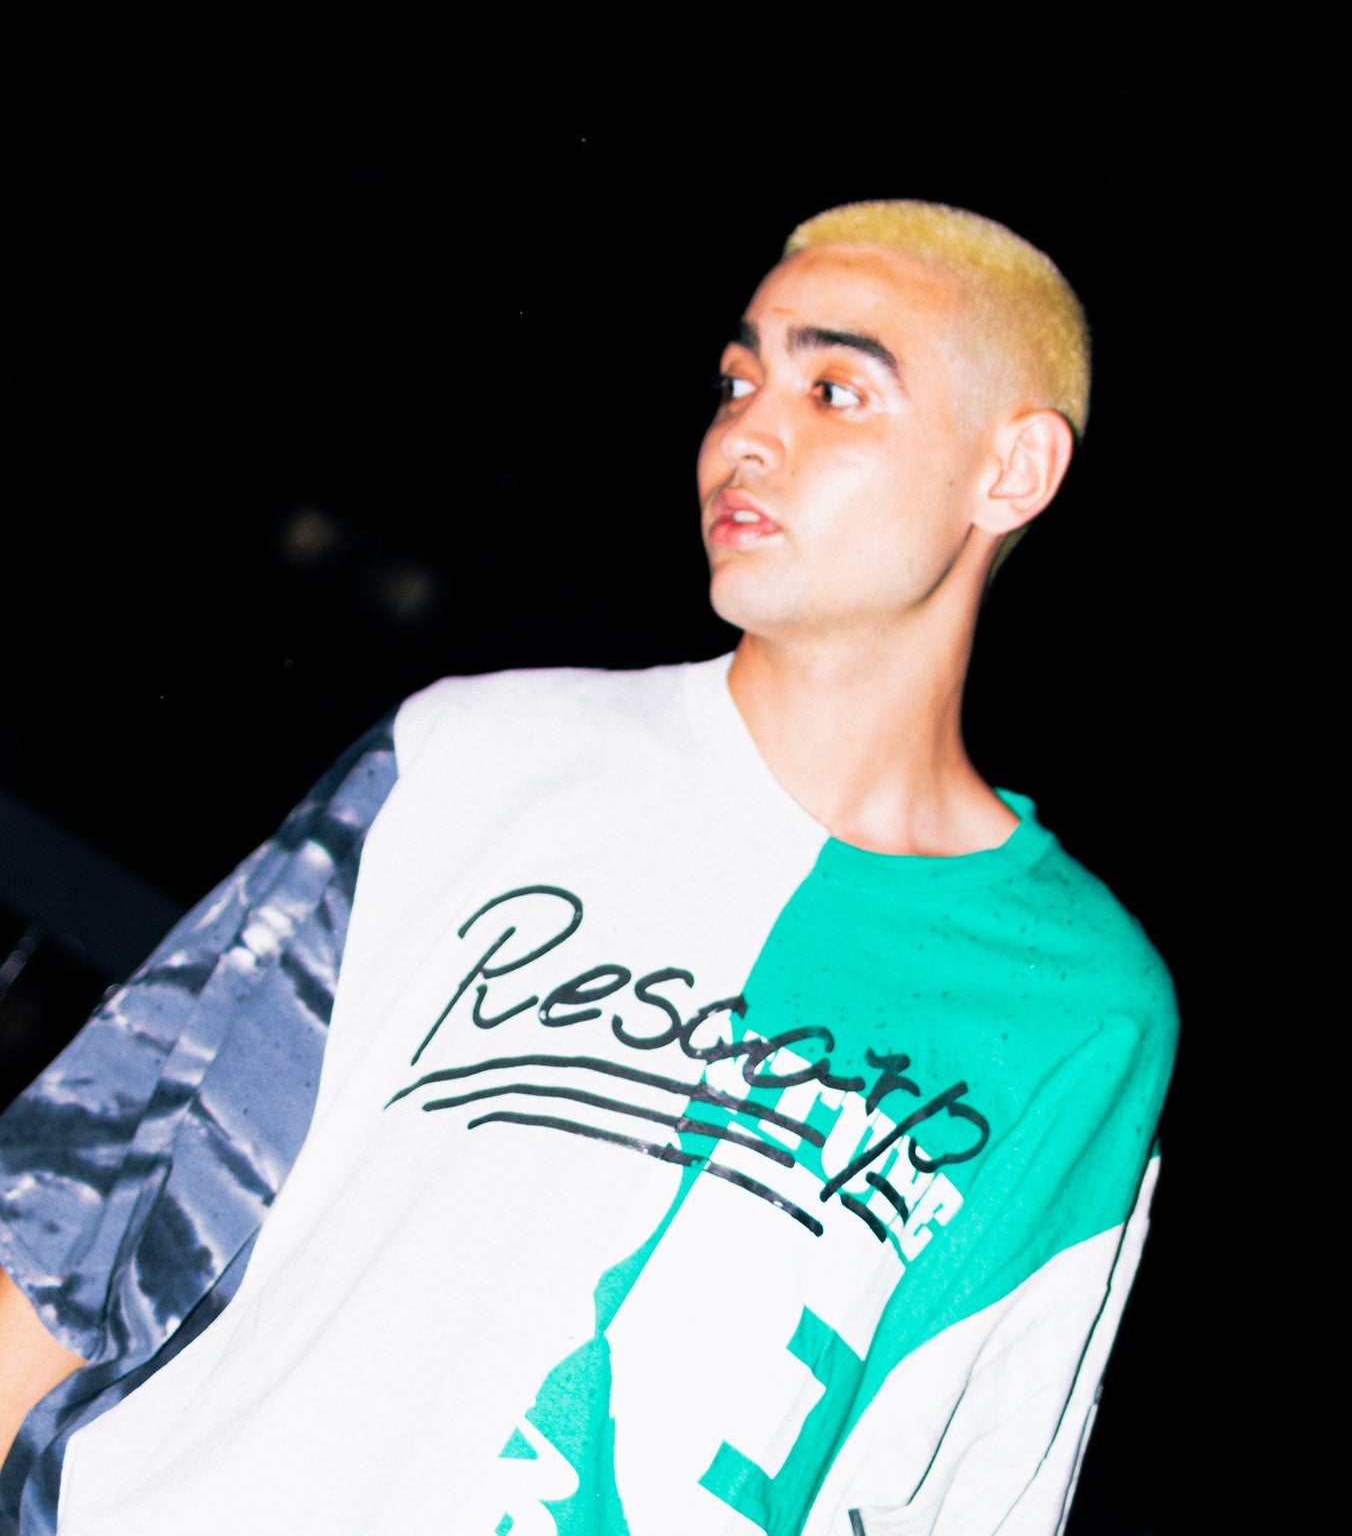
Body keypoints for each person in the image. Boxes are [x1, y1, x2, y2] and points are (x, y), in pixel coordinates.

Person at [0, 199, 1178, 1535]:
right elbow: (76, 1210)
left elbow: (970, 1491)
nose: (747, 433)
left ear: (1012, 468)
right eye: (737, 381)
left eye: (834, 390)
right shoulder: (471, 755)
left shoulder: (1078, 1005)